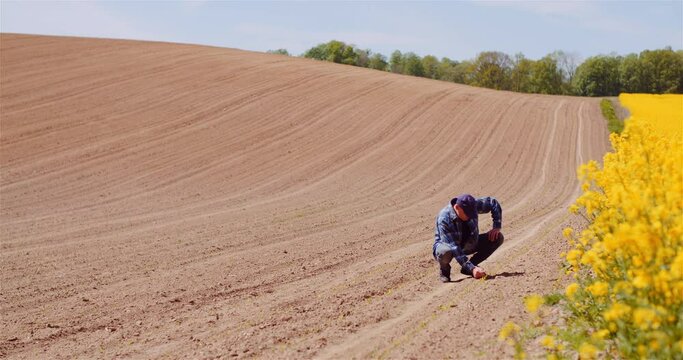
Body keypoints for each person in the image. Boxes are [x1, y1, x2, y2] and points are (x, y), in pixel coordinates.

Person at [433, 194, 503, 282]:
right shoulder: (444, 218)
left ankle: (469, 267)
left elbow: (493, 202)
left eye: (472, 214)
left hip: (470, 242)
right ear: (457, 207)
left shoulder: (470, 205)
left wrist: (496, 226)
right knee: (445, 252)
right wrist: (472, 269)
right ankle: (444, 270)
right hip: (449, 246)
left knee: (497, 237)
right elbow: (454, 247)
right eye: (467, 214)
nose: (470, 216)